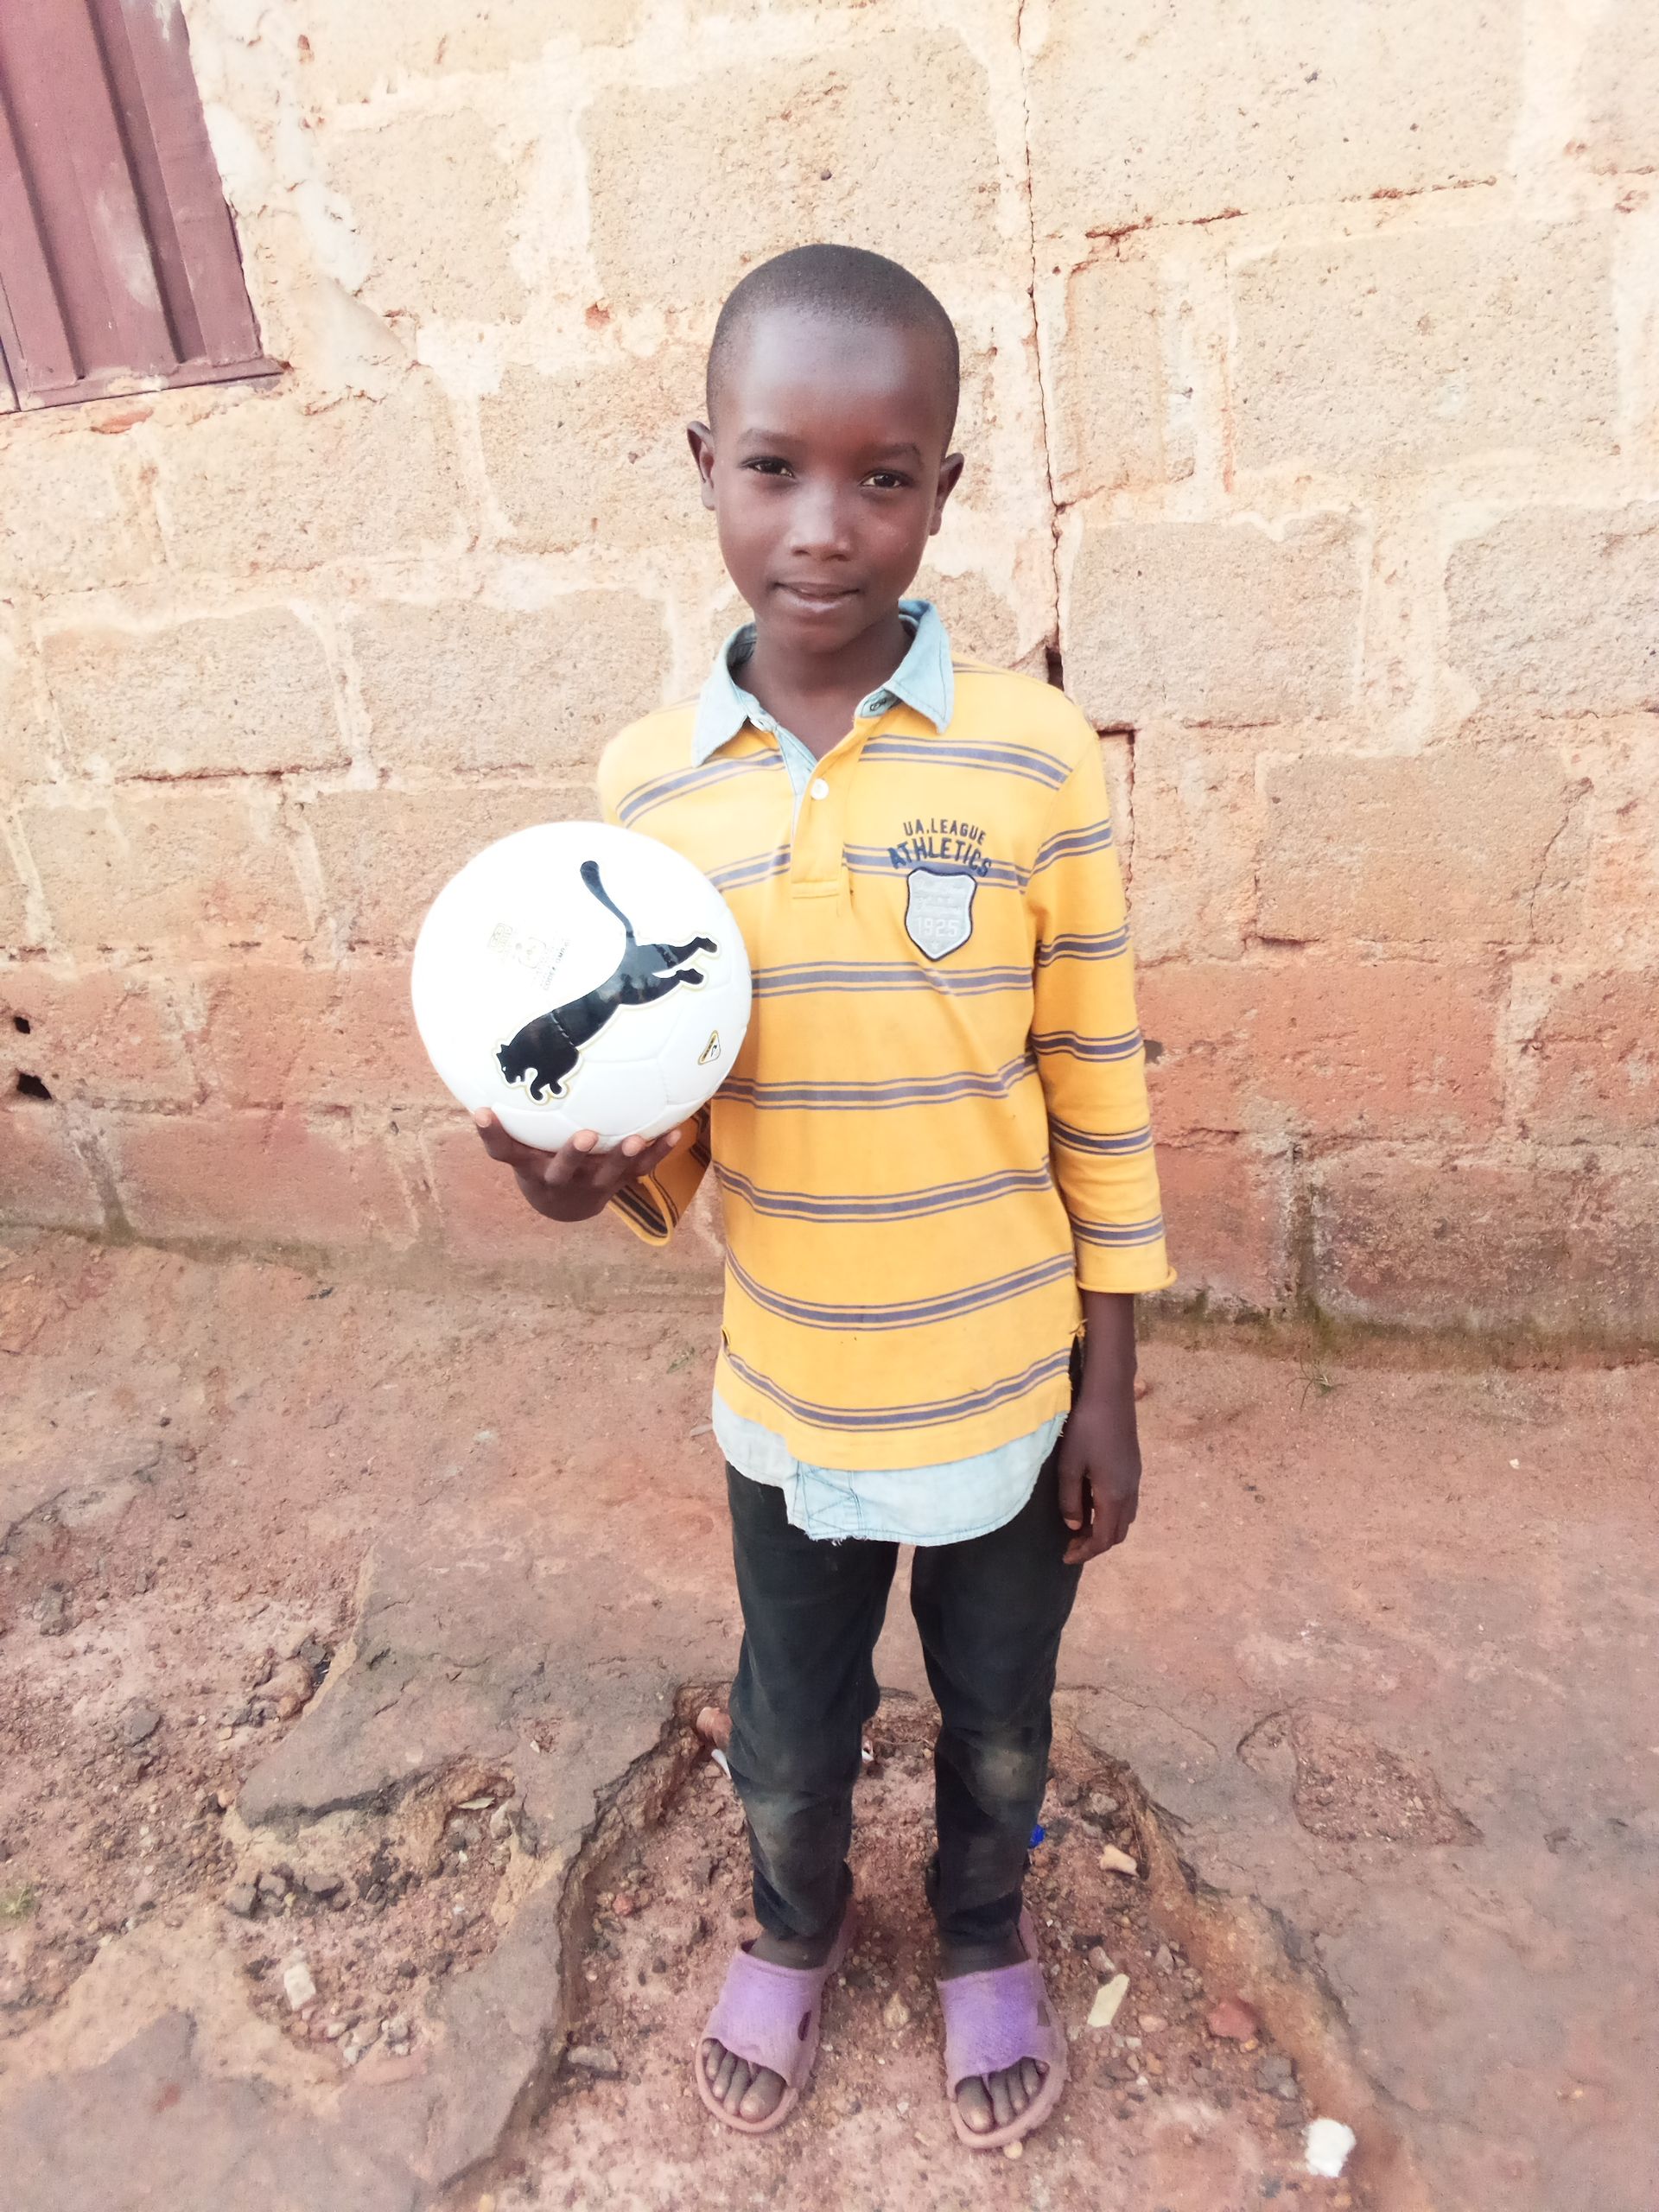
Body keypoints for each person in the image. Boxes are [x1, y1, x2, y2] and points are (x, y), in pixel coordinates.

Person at [473, 243, 1172, 2152]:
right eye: (775, 467)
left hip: (1009, 1387)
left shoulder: (1031, 760)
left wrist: (1111, 1384)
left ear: (945, 487)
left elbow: (1097, 1084)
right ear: (705, 464)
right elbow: (662, 1124)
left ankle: (982, 1929)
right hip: (788, 1393)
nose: (824, 526)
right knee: (790, 1723)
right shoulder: (649, 796)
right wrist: (574, 1182)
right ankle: (795, 1919)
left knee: (1000, 1714)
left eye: (885, 476)